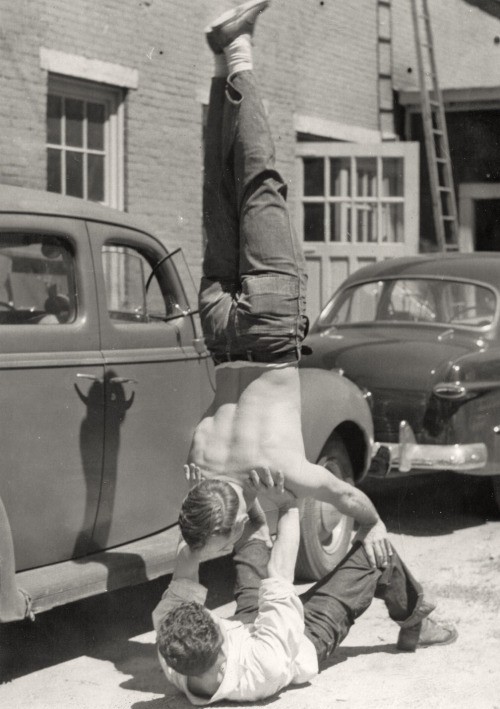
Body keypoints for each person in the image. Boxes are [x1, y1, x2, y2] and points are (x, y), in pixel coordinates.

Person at [182, 0, 392, 569]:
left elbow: (346, 496)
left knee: (260, 184)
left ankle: (240, 53)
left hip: (269, 329)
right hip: (220, 332)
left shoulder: (278, 475)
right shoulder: (198, 463)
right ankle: (223, 63)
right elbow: (210, 515)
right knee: (218, 195)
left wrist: (372, 523)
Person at [153, 479, 458, 705]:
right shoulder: (265, 666)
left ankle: (246, 517)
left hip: (249, 625)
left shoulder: (174, 651)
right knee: (378, 553)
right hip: (301, 638)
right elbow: (280, 576)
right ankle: (415, 622)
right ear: (221, 655)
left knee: (253, 534)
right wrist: (288, 504)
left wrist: (201, 507)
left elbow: (184, 573)